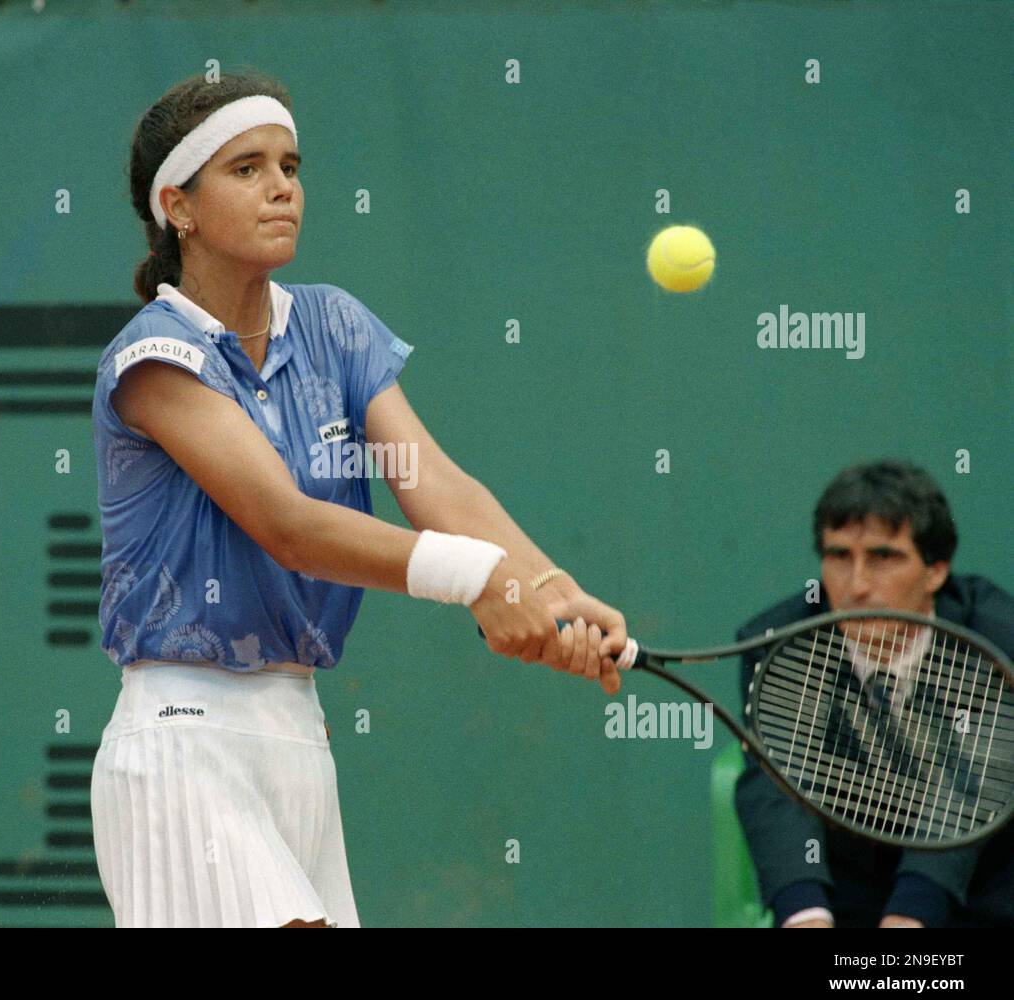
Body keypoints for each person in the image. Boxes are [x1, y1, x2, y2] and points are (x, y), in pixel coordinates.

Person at [88, 70, 629, 928]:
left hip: (299, 738)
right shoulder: (155, 358)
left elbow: (431, 479)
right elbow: (289, 527)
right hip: (183, 741)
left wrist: (550, 591)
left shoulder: (335, 325)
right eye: (247, 169)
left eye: (292, 167)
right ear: (177, 206)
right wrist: (480, 580)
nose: (282, 189)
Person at [734, 460, 1014, 928]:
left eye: (883, 557)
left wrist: (911, 915)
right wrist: (804, 914)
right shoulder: (779, 643)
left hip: (983, 898)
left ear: (936, 570)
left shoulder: (998, 640)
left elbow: (969, 783)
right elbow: (777, 784)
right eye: (839, 556)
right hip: (849, 901)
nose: (857, 586)